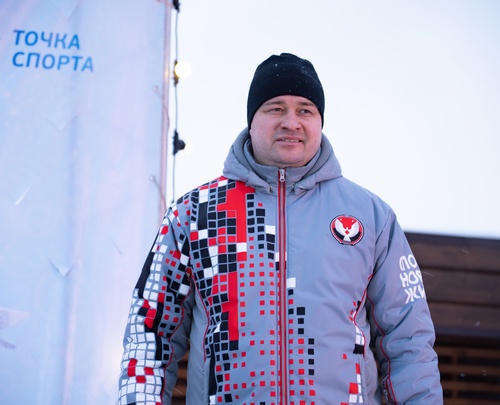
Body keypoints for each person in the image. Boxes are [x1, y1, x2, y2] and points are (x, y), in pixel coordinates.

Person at [118, 53, 443, 404]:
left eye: (305, 110)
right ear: (252, 120)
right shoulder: (194, 214)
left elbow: (409, 342)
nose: (291, 122)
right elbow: (150, 335)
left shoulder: (370, 217)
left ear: (320, 121)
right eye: (276, 108)